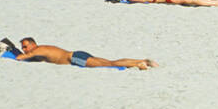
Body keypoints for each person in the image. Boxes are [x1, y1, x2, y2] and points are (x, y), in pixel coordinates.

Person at [15, 38, 155, 70]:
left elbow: (22, 57)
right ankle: (142, 61)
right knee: (109, 62)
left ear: (33, 44)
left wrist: (15, 54)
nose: (25, 49)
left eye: (26, 47)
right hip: (77, 55)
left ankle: (139, 63)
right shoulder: (41, 51)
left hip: (75, 59)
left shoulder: (38, 50)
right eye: (23, 48)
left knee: (110, 64)